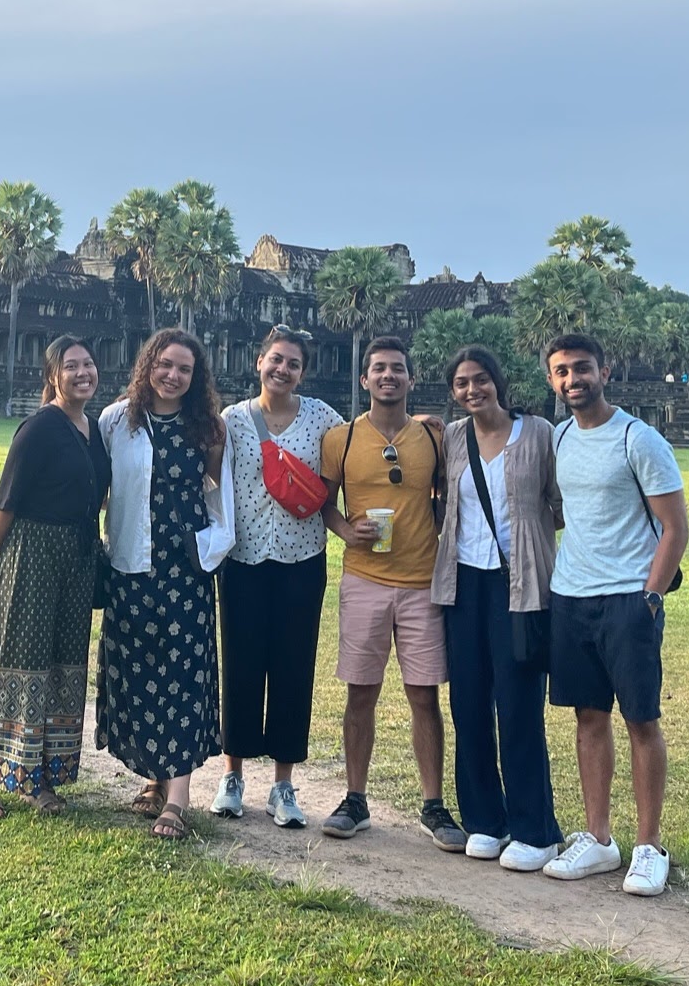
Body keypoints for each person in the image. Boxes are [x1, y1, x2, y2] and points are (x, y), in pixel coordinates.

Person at [539, 333, 689, 897]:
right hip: (571, 594)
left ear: (605, 370)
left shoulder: (638, 439)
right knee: (588, 717)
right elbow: (567, 511)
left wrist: (650, 597)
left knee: (641, 720)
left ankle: (649, 846)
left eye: (582, 369)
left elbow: (675, 528)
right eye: (561, 372)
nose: (573, 380)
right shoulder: (558, 439)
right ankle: (600, 838)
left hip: (629, 596)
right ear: (552, 380)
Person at [318, 336, 464, 850]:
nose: (388, 377)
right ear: (364, 379)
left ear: (410, 379)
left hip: (423, 582)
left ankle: (433, 803)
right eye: (378, 369)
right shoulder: (342, 438)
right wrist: (343, 529)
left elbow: (447, 495)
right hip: (364, 579)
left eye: (397, 369)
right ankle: (355, 798)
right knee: (361, 693)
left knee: (424, 696)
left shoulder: (432, 436)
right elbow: (322, 501)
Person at [98, 328, 236, 839]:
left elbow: (220, 496)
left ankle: (177, 797)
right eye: (165, 364)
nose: (173, 375)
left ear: (196, 377)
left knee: (181, 675)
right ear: (147, 365)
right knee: (138, 674)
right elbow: (101, 489)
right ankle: (155, 781)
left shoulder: (209, 429)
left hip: (186, 570)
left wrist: (212, 547)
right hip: (132, 567)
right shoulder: (117, 420)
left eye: (184, 369)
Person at [0, 336, 111, 818]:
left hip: (76, 558)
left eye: (88, 364)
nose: (82, 372)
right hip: (31, 555)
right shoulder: (38, 429)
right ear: (53, 376)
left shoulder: (95, 429)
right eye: (71, 366)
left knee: (63, 668)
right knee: (20, 666)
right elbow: (2, 507)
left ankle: (36, 777)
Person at [432, 346, 564, 871]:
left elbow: (559, 504)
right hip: (463, 585)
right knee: (467, 705)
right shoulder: (452, 437)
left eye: (480, 380)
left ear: (498, 382)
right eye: (461, 383)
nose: (471, 390)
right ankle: (485, 819)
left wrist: (529, 540)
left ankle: (535, 828)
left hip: (522, 586)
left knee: (519, 707)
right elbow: (444, 500)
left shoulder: (537, 434)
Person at [209, 325, 344, 828]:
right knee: (240, 664)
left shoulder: (325, 420)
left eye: (293, 364)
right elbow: (209, 474)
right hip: (243, 559)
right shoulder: (233, 420)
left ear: (302, 373)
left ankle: (283, 784)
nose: (282, 370)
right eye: (276, 360)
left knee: (293, 668)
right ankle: (233, 775)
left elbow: (352, 464)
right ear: (258, 361)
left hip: (302, 560)